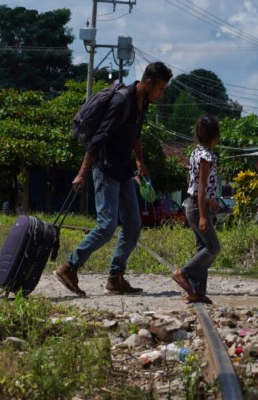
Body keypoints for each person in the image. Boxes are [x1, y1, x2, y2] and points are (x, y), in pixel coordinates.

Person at [54, 61, 173, 296]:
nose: (161, 94)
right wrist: (81, 173)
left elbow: (135, 134)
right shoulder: (122, 102)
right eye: (160, 88)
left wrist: (140, 161)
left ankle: (115, 278)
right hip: (105, 167)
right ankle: (69, 267)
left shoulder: (142, 103)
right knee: (107, 226)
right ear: (148, 83)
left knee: (133, 225)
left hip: (123, 169)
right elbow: (98, 138)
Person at [172, 114, 221, 304]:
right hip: (196, 206)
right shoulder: (206, 156)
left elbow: (195, 184)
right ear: (214, 136)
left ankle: (196, 291)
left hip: (193, 204)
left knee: (202, 247)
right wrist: (203, 215)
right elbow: (200, 187)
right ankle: (183, 273)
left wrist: (210, 202)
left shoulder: (195, 153)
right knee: (213, 247)